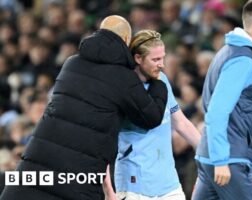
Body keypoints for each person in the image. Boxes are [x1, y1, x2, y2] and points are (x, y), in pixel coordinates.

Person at [0, 15, 168, 200]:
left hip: (38, 160)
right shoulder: (123, 77)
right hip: (80, 173)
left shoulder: (71, 63)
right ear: (126, 41)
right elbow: (151, 116)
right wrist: (158, 83)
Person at [192, 1, 252, 199]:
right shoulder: (244, 60)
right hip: (227, 159)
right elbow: (217, 111)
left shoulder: (226, 52)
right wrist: (222, 160)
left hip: (209, 156)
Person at [113, 29, 201, 200]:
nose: (161, 64)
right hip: (134, 184)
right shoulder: (121, 89)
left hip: (169, 184)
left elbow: (181, 122)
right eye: (155, 59)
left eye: (163, 58)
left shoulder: (162, 80)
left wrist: (205, 150)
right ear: (138, 58)